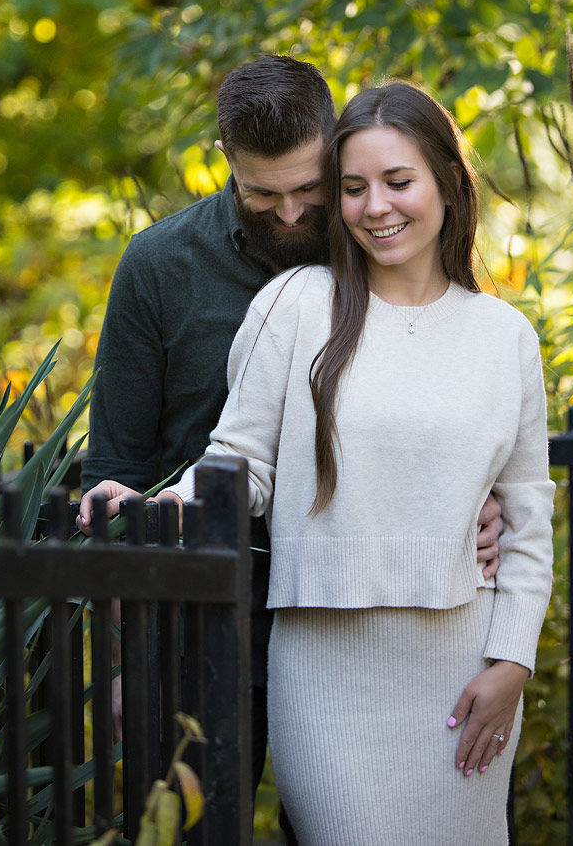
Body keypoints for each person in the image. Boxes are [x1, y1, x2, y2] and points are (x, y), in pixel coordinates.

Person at [78, 62, 506, 841]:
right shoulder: (159, 266)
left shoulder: (387, 246)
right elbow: (118, 472)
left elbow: (460, 400)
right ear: (224, 159)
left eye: (309, 188)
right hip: (197, 616)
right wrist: (120, 657)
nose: (290, 212)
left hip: (357, 616)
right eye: (261, 194)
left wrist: (487, 497)